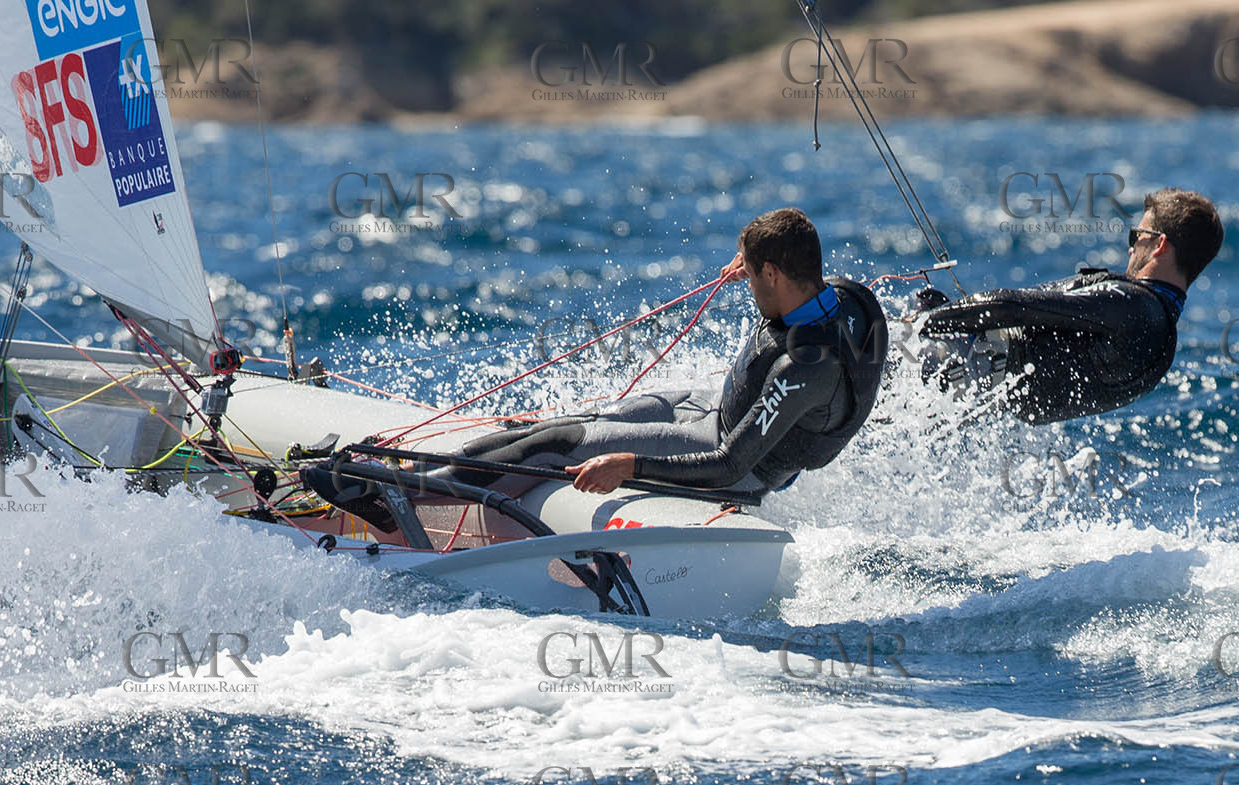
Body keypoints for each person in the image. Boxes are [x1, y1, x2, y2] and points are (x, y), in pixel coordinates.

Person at [446, 207, 888, 497]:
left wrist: (629, 466)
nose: (748, 284)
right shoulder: (844, 296)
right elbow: (795, 278)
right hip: (714, 411)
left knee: (560, 445)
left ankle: (416, 491)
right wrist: (753, 262)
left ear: (772, 273)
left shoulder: (807, 371)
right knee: (575, 424)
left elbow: (729, 464)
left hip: (731, 459)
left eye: (753, 276)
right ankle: (430, 468)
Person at [919, 187, 1224, 423]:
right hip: (967, 388)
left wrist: (929, 323)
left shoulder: (1136, 308)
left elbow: (1012, 307)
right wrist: (956, 312)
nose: (1131, 247)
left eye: (1137, 235)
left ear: (1159, 245)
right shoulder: (1162, 340)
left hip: (952, 368)